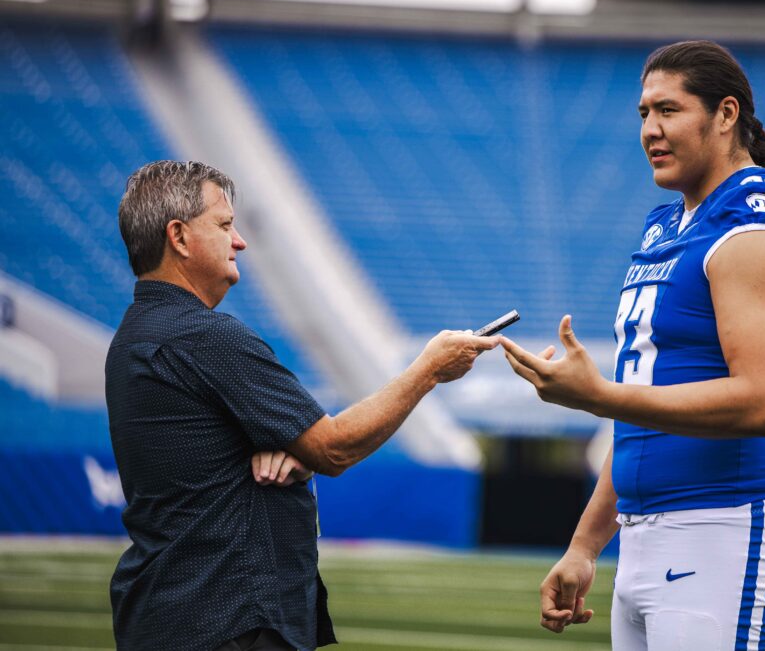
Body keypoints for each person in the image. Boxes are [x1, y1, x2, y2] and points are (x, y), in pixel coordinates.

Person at [501, 41, 765, 650]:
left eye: (669, 110)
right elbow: (646, 414)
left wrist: (598, 397)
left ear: (726, 115)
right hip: (646, 534)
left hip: (724, 526)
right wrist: (585, 544)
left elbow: (760, 404)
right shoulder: (670, 225)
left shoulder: (757, 227)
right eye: (644, 113)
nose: (650, 129)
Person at [106, 160, 498, 651]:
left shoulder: (133, 336)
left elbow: (208, 453)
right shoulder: (205, 337)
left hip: (168, 610)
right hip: (229, 617)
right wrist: (429, 370)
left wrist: (290, 447)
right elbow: (333, 449)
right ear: (179, 237)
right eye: (225, 225)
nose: (240, 240)